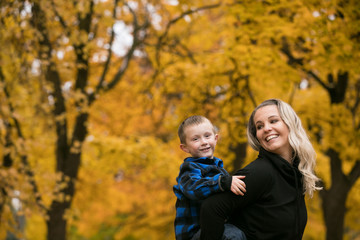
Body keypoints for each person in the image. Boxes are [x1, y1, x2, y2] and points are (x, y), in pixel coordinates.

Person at [199, 99, 322, 240]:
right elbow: (212, 208)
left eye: (273, 121)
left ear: (290, 124)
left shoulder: (295, 174)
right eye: (259, 126)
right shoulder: (260, 172)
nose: (266, 128)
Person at [173, 115, 248, 240]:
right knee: (233, 235)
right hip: (195, 234)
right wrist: (223, 182)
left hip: (215, 224)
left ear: (215, 138)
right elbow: (193, 188)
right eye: (195, 139)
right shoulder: (189, 168)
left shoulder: (220, 170)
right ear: (185, 147)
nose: (204, 142)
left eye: (207, 136)